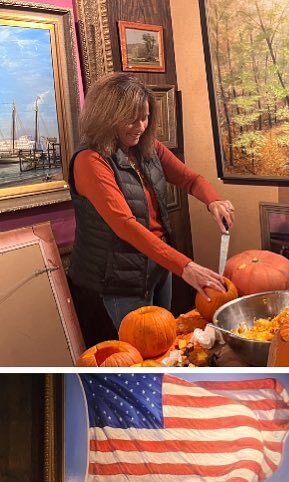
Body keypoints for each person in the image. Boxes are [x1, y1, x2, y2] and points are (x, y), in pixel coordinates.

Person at [67, 71, 234, 346]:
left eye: (145, 117)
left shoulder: (149, 148)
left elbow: (190, 179)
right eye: (132, 119)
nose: (141, 126)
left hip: (157, 266)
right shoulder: (90, 160)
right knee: (135, 353)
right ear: (107, 116)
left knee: (163, 342)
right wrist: (186, 267)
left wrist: (212, 200)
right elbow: (125, 225)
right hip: (115, 279)